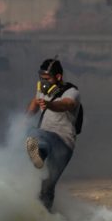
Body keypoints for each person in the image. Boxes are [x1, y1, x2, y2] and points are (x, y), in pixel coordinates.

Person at [25, 58, 81, 210]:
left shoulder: (71, 92)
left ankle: (38, 153)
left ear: (58, 77)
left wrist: (50, 104)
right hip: (44, 137)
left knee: (48, 185)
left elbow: (66, 104)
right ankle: (43, 220)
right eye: (41, 78)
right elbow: (35, 102)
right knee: (45, 187)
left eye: (47, 79)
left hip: (62, 143)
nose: (43, 82)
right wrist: (26, 117)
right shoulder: (42, 91)